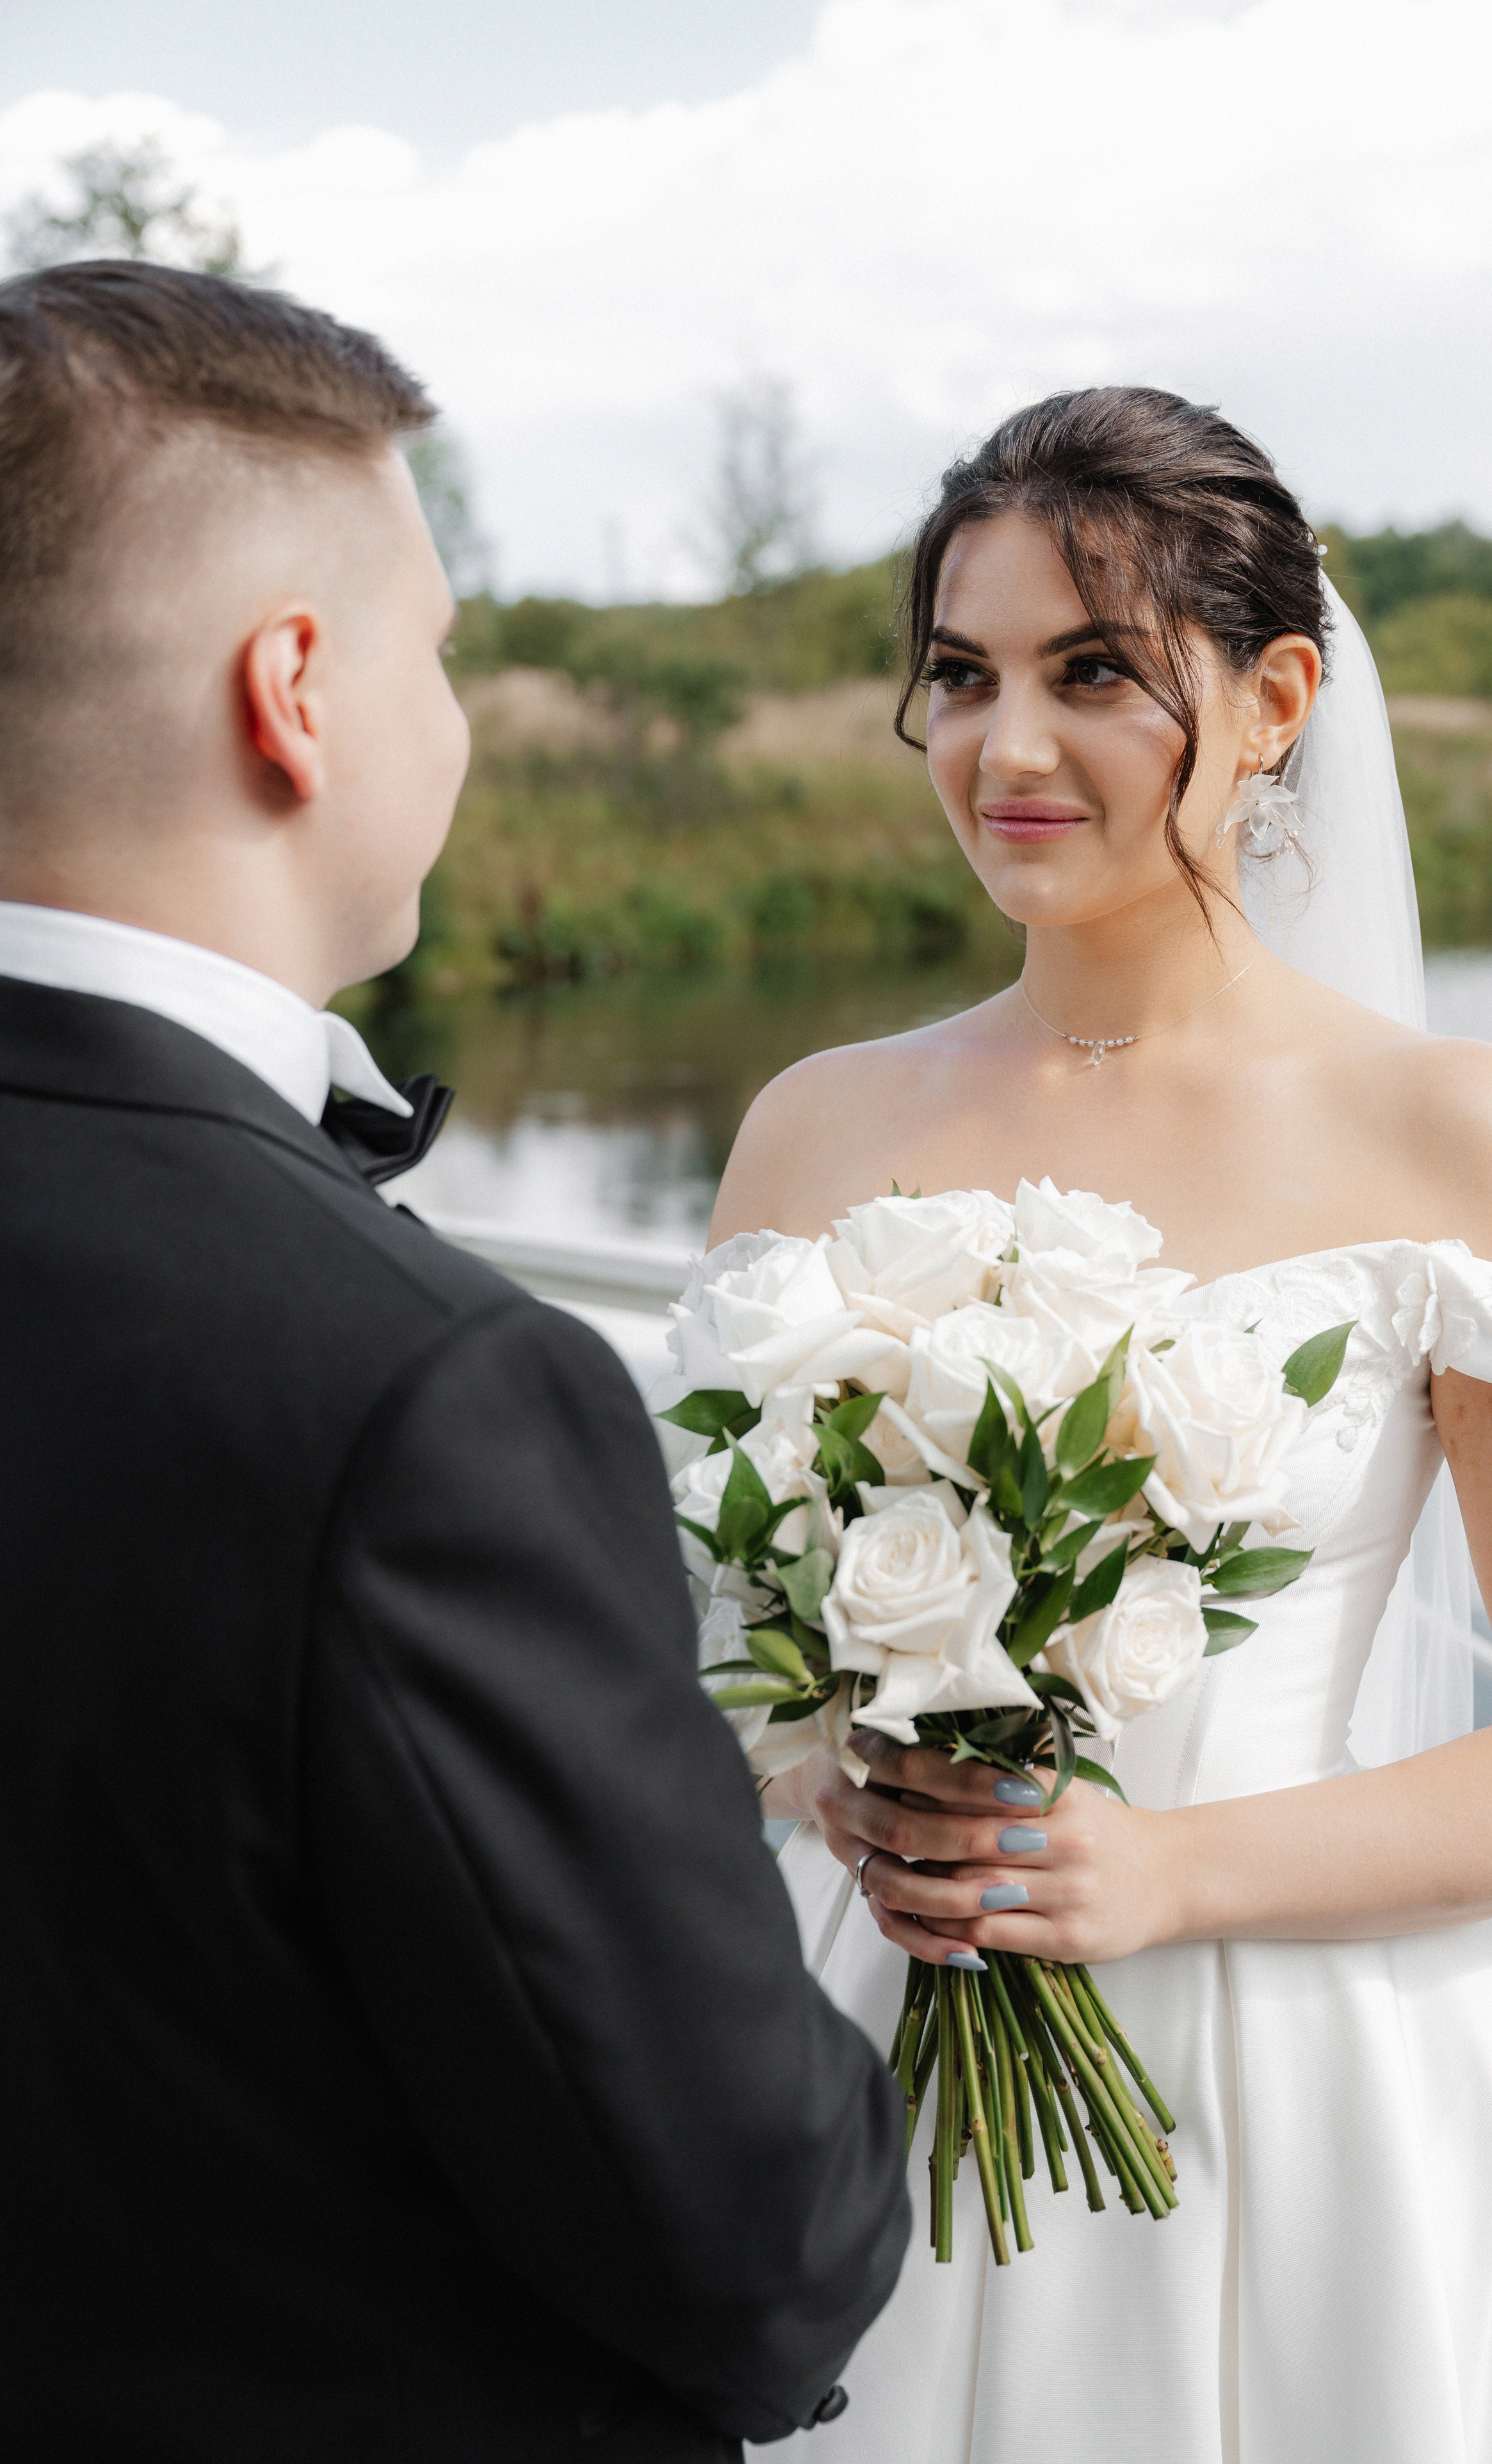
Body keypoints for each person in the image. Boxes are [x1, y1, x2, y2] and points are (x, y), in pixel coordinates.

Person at [0, 261, 909, 2462]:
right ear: (294, 693)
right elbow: (747, 2241)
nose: (464, 723)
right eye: (444, 650)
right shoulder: (422, 1393)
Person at [715, 388, 1492, 2461]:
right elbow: (731, 1646)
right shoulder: (810, 1123)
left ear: (1279, 693)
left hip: (1319, 2094)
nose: (1005, 750)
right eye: (959, 676)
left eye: (1096, 672)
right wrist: (828, 1789)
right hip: (867, 2041)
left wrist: (1168, 1872)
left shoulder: (1456, 1131)